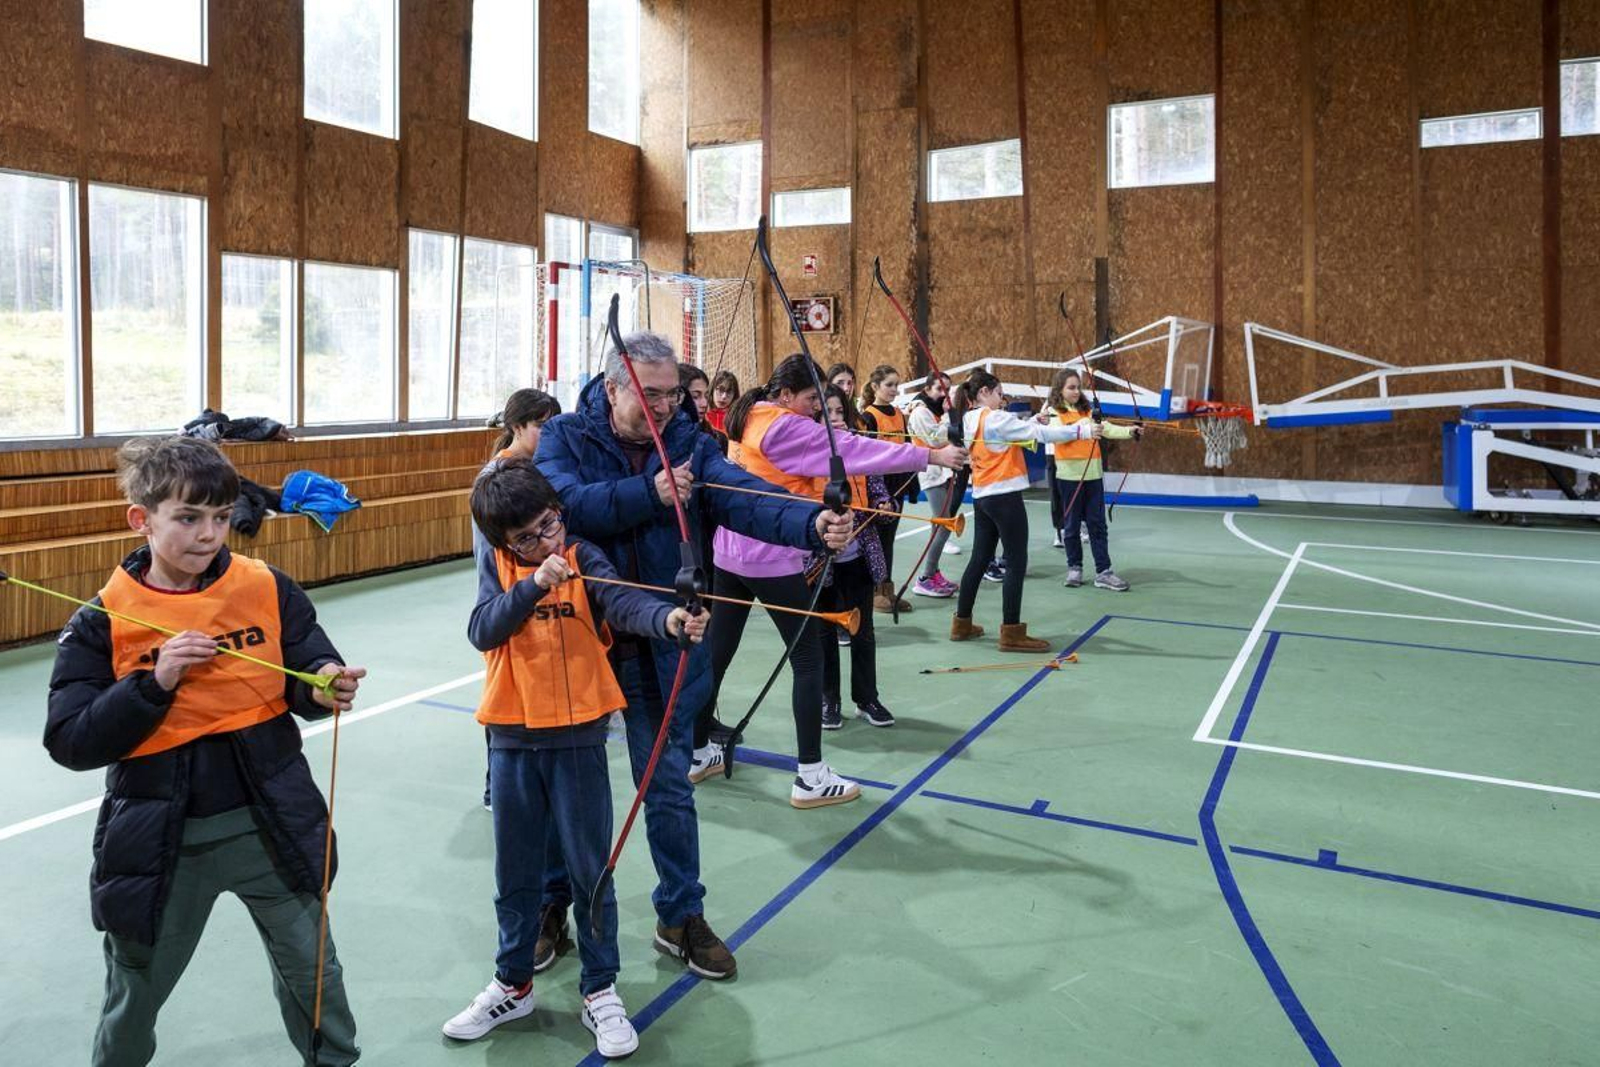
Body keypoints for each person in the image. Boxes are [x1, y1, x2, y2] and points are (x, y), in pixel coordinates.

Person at [537, 332, 853, 978]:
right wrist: (649, 494)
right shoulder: (565, 436)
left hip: (666, 641)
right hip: (577, 644)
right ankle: (550, 907)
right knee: (567, 790)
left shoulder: (688, 439)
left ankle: (679, 913)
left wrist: (810, 521)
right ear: (613, 385)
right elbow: (561, 508)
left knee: (670, 791)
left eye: (673, 393)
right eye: (649, 394)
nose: (664, 406)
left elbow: (740, 493)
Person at [44, 436, 366, 1067]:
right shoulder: (101, 619)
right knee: (134, 995)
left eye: (221, 517)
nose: (209, 535)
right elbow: (71, 739)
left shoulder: (267, 585)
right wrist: (153, 682)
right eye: (188, 518)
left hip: (270, 823)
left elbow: (306, 660)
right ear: (144, 519)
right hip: (164, 842)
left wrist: (326, 681)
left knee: (316, 975)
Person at [443, 462, 707, 1059]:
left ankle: (599, 987)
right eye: (527, 538)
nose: (545, 542)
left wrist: (668, 619)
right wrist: (534, 582)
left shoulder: (584, 556)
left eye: (549, 525)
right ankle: (512, 983)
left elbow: (621, 603)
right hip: (511, 735)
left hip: (579, 735)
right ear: (502, 542)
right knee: (517, 874)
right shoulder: (501, 566)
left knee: (591, 868)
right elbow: (483, 630)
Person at [698, 354, 965, 807]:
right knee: (808, 661)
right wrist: (932, 455)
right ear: (785, 395)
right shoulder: (782, 424)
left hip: (731, 551)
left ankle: (699, 750)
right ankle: (810, 777)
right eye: (810, 399)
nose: (816, 408)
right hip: (772, 554)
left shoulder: (751, 413)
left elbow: (831, 446)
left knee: (718, 655)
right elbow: (854, 452)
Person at [949, 370, 1099, 652]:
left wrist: (1030, 421)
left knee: (979, 560)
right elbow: (1038, 435)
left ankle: (962, 623)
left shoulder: (971, 418)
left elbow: (1006, 435)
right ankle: (1012, 632)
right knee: (1016, 561)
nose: (1002, 398)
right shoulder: (995, 418)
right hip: (1005, 497)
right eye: (998, 393)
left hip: (983, 497)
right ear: (984, 393)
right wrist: (1082, 429)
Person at [480, 388, 564, 810]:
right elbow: (490, 556)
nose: (548, 436)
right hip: (506, 597)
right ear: (517, 427)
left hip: (541, 593)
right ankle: (497, 784)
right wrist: (511, 596)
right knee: (504, 690)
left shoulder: (537, 470)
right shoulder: (495, 480)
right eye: (541, 427)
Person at [816, 387, 895, 729]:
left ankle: (867, 698)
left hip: (858, 557)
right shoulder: (805, 455)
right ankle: (827, 699)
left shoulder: (860, 450)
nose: (835, 419)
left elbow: (878, 491)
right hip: (820, 563)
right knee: (824, 633)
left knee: (863, 632)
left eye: (839, 412)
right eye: (826, 413)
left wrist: (883, 507)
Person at [1046, 367, 1140, 591]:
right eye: (1071, 387)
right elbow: (1057, 433)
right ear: (1059, 389)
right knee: (1071, 526)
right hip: (1069, 478)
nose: (1076, 391)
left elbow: (1104, 428)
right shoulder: (1053, 412)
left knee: (1097, 525)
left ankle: (1103, 572)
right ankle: (1074, 568)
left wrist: (1130, 431)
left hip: (1093, 476)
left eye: (1078, 387)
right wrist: (1086, 426)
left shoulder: (1087, 410)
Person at [857, 364, 915, 614]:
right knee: (876, 541)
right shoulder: (868, 416)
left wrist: (911, 482)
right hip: (880, 487)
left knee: (889, 540)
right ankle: (874, 590)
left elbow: (908, 447)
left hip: (898, 483)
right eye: (889, 385)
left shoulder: (900, 414)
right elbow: (867, 455)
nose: (894, 389)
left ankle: (887, 590)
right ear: (875, 387)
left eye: (896, 385)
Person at [904, 375, 961, 598]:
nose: (942, 394)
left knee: (939, 524)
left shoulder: (934, 410)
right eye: (939, 389)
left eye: (947, 389)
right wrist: (948, 415)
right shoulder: (921, 412)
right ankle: (926, 578)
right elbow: (936, 440)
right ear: (927, 389)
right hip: (931, 473)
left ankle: (933, 572)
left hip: (942, 472)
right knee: (944, 524)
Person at [707, 369, 740, 433]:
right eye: (720, 390)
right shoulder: (703, 415)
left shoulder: (737, 417)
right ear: (712, 389)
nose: (724, 396)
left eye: (729, 392)